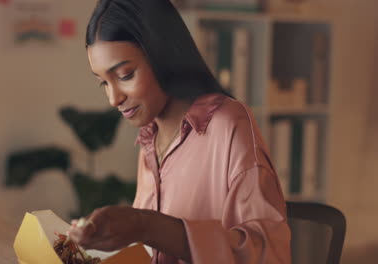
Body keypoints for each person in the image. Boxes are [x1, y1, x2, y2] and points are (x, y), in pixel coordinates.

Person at [68, 0, 291, 263]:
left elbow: (268, 254)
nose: (113, 98)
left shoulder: (228, 123)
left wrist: (146, 225)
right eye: (103, 83)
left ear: (163, 56)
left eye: (125, 75)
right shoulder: (149, 137)